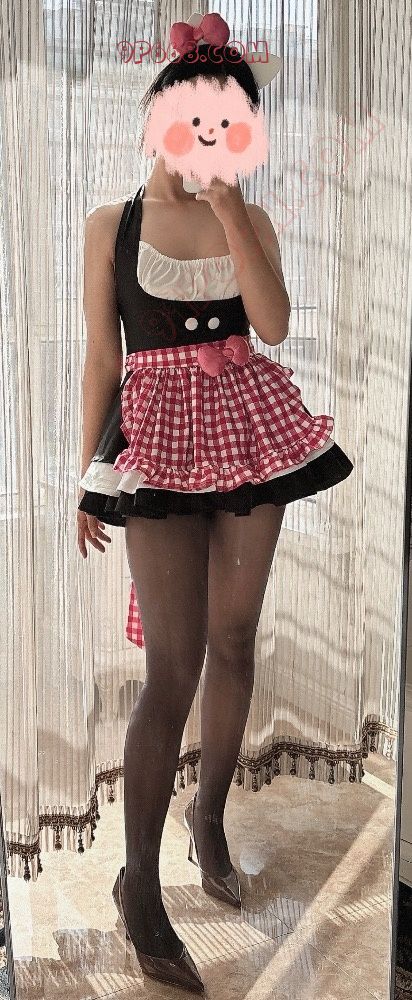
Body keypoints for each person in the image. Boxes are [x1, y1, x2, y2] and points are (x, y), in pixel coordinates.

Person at [76, 21, 354, 995]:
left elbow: (272, 323)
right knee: (172, 667)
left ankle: (208, 820)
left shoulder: (252, 216)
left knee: (235, 641)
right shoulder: (111, 225)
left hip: (246, 434)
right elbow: (102, 360)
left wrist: (233, 209)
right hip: (156, 446)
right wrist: (89, 474)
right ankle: (139, 884)